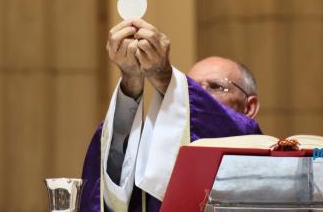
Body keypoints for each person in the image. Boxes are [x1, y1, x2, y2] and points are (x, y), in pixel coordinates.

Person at [80, 19, 263, 212]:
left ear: (249, 107)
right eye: (192, 87)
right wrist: (130, 83)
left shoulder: (258, 149)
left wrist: (165, 76)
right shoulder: (153, 149)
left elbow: (239, 132)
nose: (197, 95)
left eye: (215, 87)